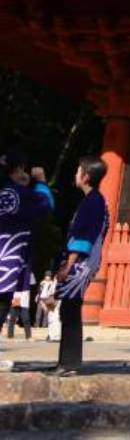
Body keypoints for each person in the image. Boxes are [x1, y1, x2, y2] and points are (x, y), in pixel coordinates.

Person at [52, 155, 110, 376]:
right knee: (69, 310)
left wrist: (68, 264)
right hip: (84, 261)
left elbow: (82, 236)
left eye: (78, 171)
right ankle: (66, 362)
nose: (75, 175)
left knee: (70, 309)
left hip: (81, 263)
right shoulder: (96, 200)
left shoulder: (92, 203)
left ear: (85, 177)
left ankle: (69, 363)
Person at [0, 151, 54, 373]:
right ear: (14, 170)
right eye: (21, 170)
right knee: (2, 302)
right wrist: (40, 183)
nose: (24, 174)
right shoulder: (13, 194)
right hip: (6, 258)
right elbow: (45, 205)